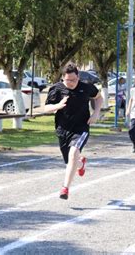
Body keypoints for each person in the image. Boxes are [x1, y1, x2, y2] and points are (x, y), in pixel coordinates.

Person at [45, 62, 103, 200]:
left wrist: (96, 113)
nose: (70, 83)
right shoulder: (57, 89)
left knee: (73, 154)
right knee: (70, 160)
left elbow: (99, 97)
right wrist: (58, 105)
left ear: (78, 77)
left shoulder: (86, 87)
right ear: (62, 78)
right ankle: (81, 163)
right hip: (63, 129)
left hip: (81, 128)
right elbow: (46, 108)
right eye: (67, 80)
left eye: (73, 80)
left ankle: (65, 188)